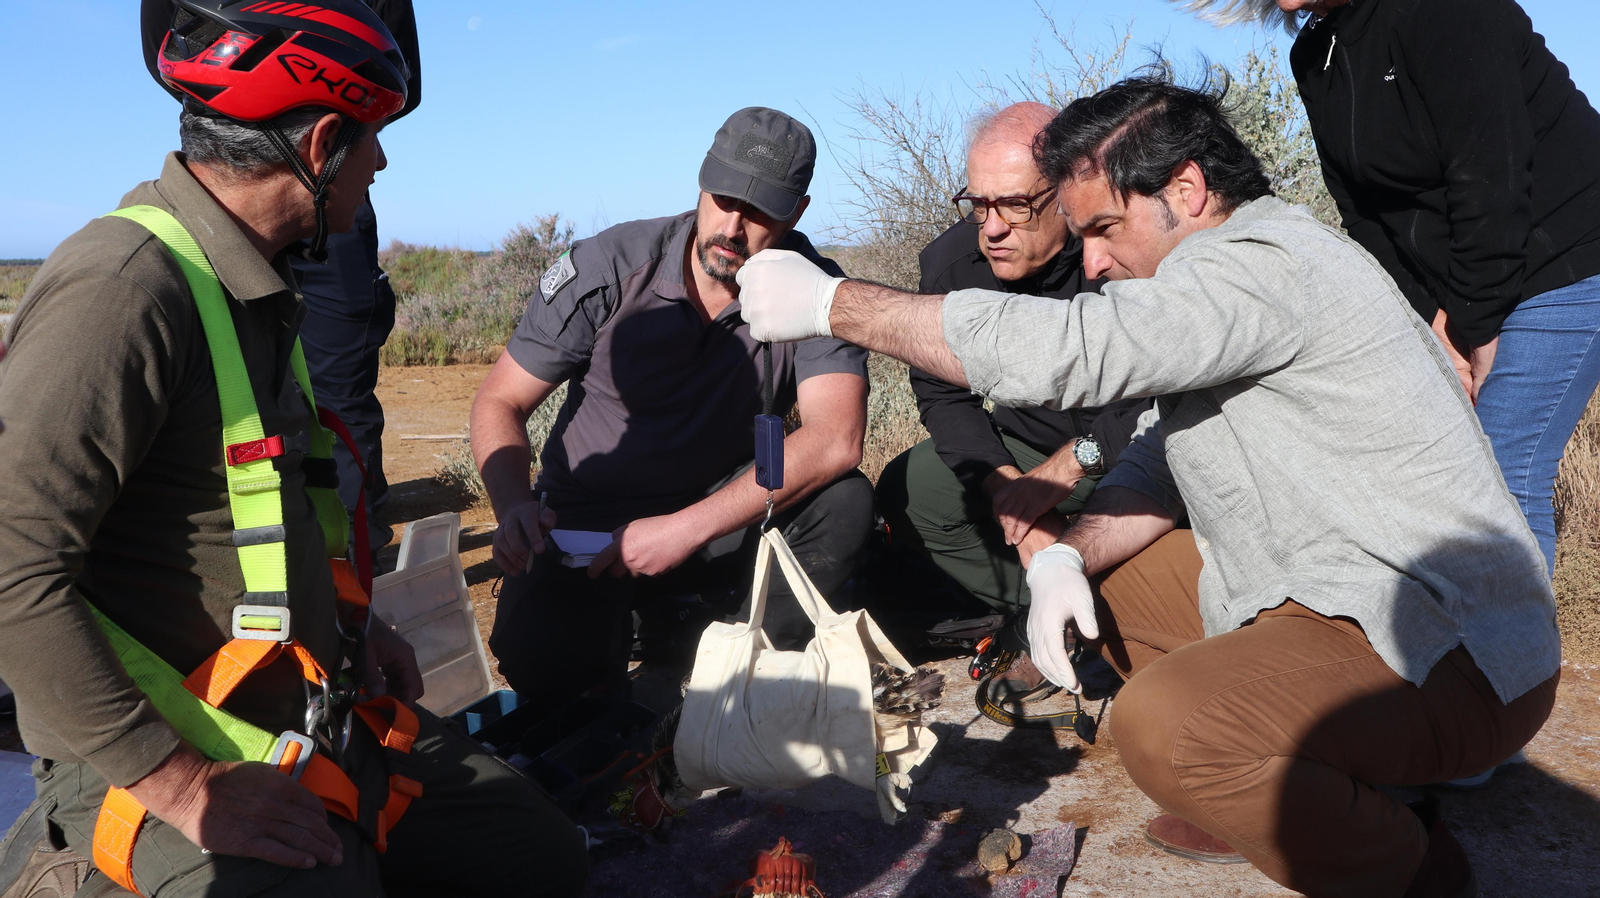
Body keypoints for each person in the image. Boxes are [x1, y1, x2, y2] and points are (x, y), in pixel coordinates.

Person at [736, 74, 1560, 898]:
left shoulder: (1262, 266)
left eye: (1103, 228)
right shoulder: (1231, 275)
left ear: (1188, 190)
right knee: (1107, 586)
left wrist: (837, 305)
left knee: (1165, 731)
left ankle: (1410, 864)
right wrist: (1068, 557)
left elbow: (1079, 350)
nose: (1092, 259)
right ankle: (1299, 785)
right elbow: (1163, 449)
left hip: (1446, 646)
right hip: (1329, 591)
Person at [0, 3, 585, 896]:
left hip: (308, 706)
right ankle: (65, 866)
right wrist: (186, 786)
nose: (380, 165)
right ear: (319, 148)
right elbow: (11, 571)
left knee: (534, 855)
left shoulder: (249, 281)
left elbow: (252, 517)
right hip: (152, 748)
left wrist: (358, 622)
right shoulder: (124, 291)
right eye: (374, 143)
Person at [470, 107, 874, 714]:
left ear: (797, 213)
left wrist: (684, 530)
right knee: (541, 666)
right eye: (723, 198)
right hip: (587, 526)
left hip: (714, 520)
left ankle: (737, 661)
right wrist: (513, 508)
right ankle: (637, 634)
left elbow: (836, 438)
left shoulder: (815, 287)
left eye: (760, 210)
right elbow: (500, 399)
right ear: (701, 183)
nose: (733, 227)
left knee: (845, 500)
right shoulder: (610, 265)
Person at [1190, 0, 1600, 578]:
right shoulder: (1315, 54)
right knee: (1443, 472)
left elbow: (1490, 180)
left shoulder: (1450, 12)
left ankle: (1517, 664)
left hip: (1568, 258)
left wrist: (1474, 330)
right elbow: (1364, 216)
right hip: (1469, 286)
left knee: (1505, 468)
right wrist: (1434, 322)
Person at [139, 0, 424, 561]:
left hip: (309, 175)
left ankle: (349, 565)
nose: (385, 162)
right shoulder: (120, 285)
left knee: (326, 387)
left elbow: (167, 50)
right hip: (292, 166)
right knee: (289, 380)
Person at [876, 102, 1147, 689]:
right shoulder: (951, 265)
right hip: (1025, 452)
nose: (992, 227)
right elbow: (945, 399)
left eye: (1016, 205)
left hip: (1132, 450)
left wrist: (1072, 464)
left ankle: (1130, 613)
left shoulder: (1120, 251)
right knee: (912, 488)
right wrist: (1010, 494)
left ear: (1068, 190)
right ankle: (1054, 610)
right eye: (978, 204)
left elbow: (1163, 394)